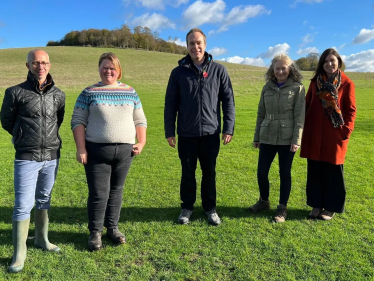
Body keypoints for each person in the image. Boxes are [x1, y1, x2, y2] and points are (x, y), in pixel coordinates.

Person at [71, 52, 147, 251]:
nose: (108, 71)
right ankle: (95, 232)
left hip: (125, 152)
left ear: (119, 70)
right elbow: (78, 121)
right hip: (96, 152)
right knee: (98, 193)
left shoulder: (130, 92)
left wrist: (142, 142)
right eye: (104, 67)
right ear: (99, 69)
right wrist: (81, 149)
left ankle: (112, 228)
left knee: (116, 191)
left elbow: (140, 120)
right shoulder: (89, 92)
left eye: (112, 68)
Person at [1, 49, 65, 273]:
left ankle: (41, 239)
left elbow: (59, 120)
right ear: (27, 65)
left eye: (44, 62)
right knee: (22, 206)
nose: (41, 66)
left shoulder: (59, 94)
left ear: (50, 65)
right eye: (36, 63)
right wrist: (22, 136)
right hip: (26, 157)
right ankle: (19, 254)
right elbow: (6, 121)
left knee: (44, 199)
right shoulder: (14, 92)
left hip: (51, 156)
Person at [164, 28, 235, 226]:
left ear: (205, 44)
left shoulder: (219, 70)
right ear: (186, 46)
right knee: (187, 173)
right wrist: (170, 131)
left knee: (209, 173)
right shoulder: (178, 73)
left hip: (211, 133)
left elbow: (228, 101)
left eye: (198, 43)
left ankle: (210, 209)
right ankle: (186, 208)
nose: (195, 47)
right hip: (186, 134)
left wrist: (228, 128)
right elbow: (170, 104)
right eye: (191, 43)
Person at [300, 48, 356, 220]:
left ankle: (330, 208)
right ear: (321, 65)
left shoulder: (347, 84)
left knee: (333, 172)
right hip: (315, 134)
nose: (329, 64)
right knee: (315, 171)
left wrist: (345, 132)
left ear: (339, 61)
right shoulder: (314, 83)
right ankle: (316, 205)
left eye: (332, 60)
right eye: (325, 61)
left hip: (335, 136)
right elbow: (306, 105)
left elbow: (351, 111)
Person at [248, 54, 305, 223]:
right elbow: (260, 113)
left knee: (284, 173)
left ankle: (282, 207)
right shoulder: (267, 87)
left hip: (287, 138)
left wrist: (297, 139)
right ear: (272, 70)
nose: (280, 71)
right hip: (267, 136)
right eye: (277, 68)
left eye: (284, 68)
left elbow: (299, 116)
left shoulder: (298, 88)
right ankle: (264, 201)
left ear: (290, 69)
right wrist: (257, 136)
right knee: (261, 172)